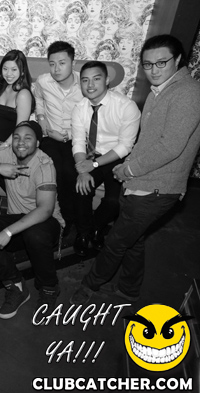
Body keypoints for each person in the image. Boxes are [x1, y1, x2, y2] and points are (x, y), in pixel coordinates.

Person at [70, 34, 200, 305]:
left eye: (161, 63)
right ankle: (129, 289)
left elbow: (170, 147)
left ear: (178, 60)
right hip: (140, 178)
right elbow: (146, 142)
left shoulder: (187, 93)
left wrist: (127, 170)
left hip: (158, 187)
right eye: (148, 64)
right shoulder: (160, 91)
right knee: (134, 239)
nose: (154, 70)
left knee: (116, 241)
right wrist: (126, 169)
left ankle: (88, 287)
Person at [0, 121, 64, 318]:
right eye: (17, 137)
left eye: (28, 138)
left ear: (37, 143)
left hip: (45, 224)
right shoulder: (7, 154)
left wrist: (8, 231)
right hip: (17, 221)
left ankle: (49, 288)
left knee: (35, 234)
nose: (21, 142)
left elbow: (45, 210)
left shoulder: (44, 164)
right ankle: (15, 285)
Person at [70, 61, 140, 256]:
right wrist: (82, 168)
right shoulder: (79, 108)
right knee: (80, 190)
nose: (90, 85)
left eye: (96, 79)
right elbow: (78, 142)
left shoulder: (126, 107)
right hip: (91, 155)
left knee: (113, 201)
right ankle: (83, 233)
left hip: (116, 157)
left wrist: (92, 165)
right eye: (85, 80)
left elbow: (125, 146)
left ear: (107, 80)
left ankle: (96, 227)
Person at [33, 41, 83, 235]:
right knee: (53, 170)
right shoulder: (44, 81)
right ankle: (53, 214)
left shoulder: (84, 84)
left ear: (73, 63)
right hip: (50, 137)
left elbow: (91, 116)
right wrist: (41, 117)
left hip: (76, 139)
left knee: (70, 172)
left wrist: (69, 135)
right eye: (52, 64)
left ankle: (70, 218)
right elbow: (38, 98)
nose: (56, 69)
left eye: (62, 63)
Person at [0, 49, 35, 217]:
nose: (8, 74)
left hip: (15, 144)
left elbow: (20, 128)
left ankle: (22, 205)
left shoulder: (23, 94)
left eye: (14, 69)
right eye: (5, 69)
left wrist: (1, 148)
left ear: (22, 71)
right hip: (0, 141)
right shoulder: (1, 87)